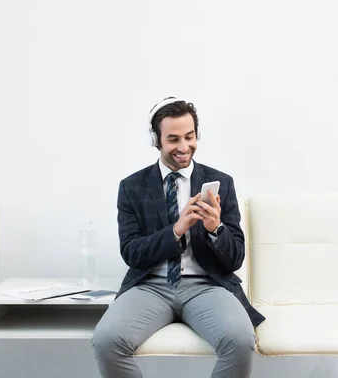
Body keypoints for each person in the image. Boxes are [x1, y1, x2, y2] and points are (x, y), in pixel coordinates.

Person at [92, 97, 265, 378]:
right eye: (173, 139)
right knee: (106, 341)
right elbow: (132, 253)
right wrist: (176, 230)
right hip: (150, 286)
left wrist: (215, 228)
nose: (184, 147)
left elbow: (235, 259)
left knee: (241, 342)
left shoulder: (223, 182)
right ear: (156, 140)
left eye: (189, 136)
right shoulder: (131, 187)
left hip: (206, 286)